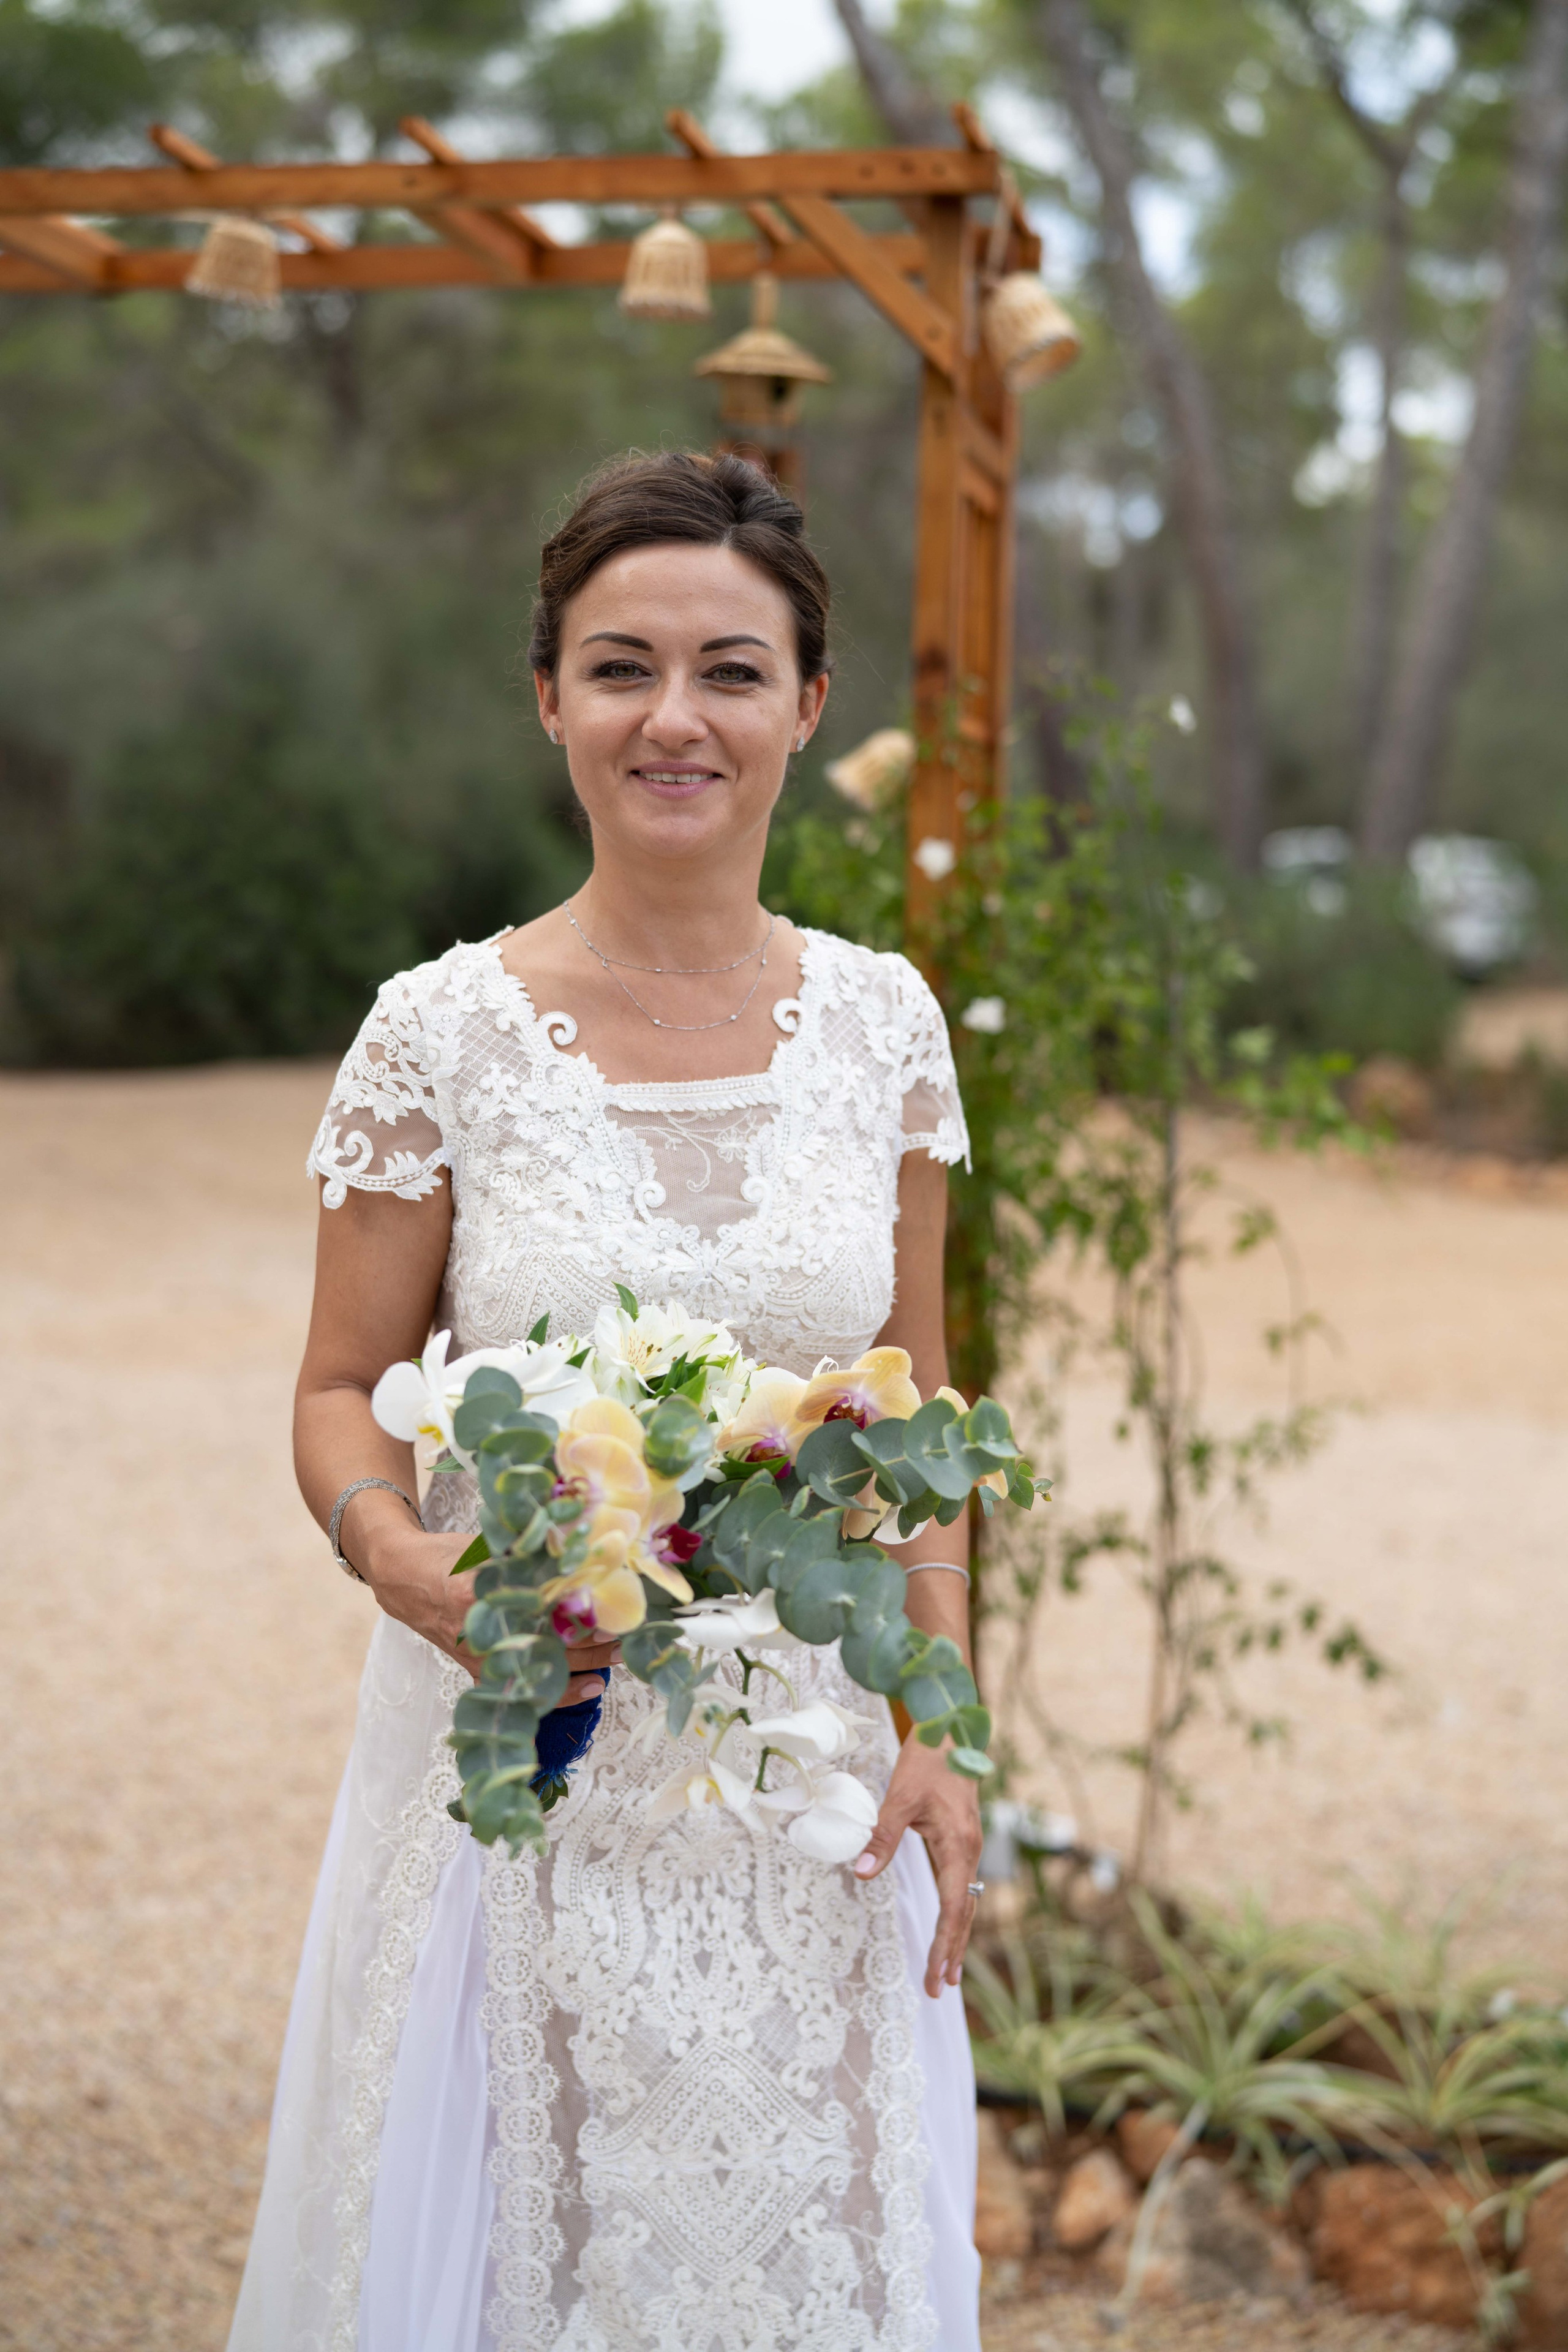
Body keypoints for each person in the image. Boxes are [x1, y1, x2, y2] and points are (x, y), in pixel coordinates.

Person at [228, 450, 984, 2352]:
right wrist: (405, 1559)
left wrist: (945, 1727)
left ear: (809, 708)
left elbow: (928, 1417)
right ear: (550, 696)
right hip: (521, 1762)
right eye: (621, 665)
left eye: (732, 669)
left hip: (800, 1789)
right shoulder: (440, 1033)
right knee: (516, 2257)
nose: (676, 717)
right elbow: (337, 1388)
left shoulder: (887, 1025)